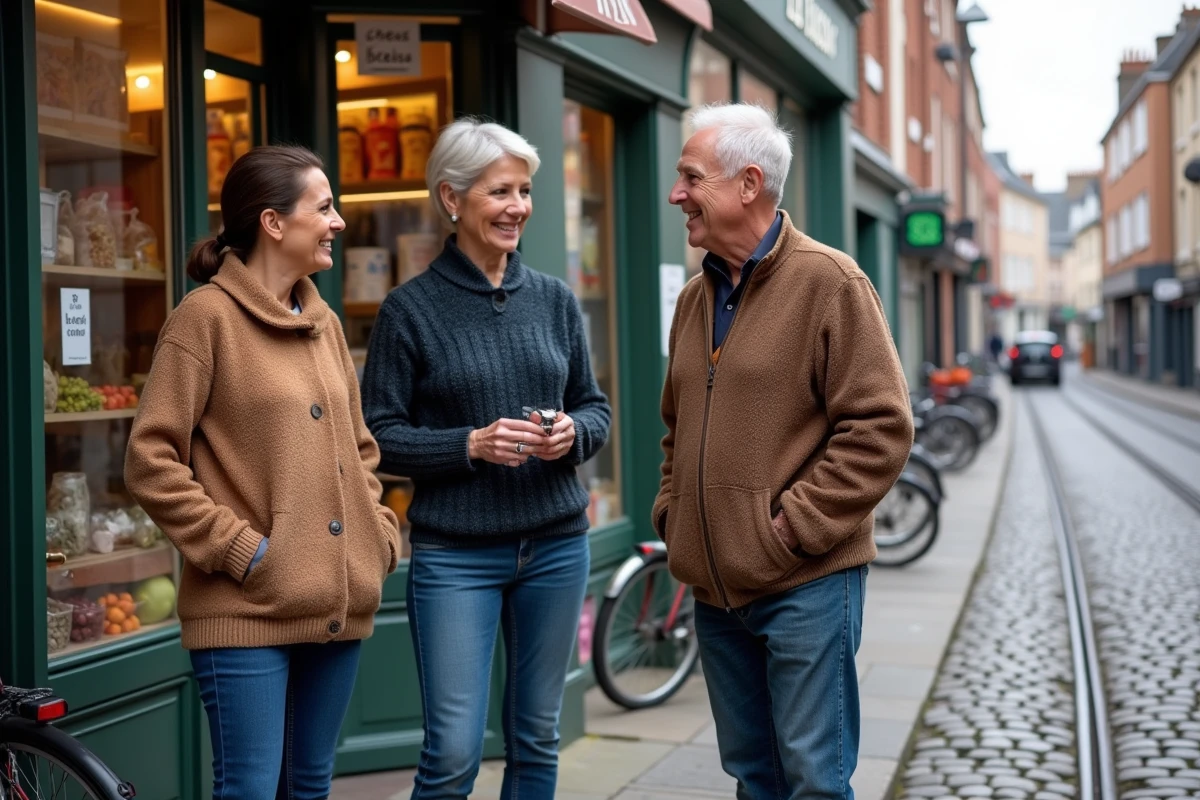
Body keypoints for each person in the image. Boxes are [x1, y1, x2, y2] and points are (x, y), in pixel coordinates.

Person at [654, 103, 915, 800]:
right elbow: (676, 427)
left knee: (814, 783)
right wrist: (673, 516)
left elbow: (882, 427)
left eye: (689, 178)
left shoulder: (833, 283)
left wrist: (790, 528)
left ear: (748, 184)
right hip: (715, 590)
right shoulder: (692, 300)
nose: (676, 195)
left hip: (806, 583)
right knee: (753, 777)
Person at [125, 145, 401, 800]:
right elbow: (151, 459)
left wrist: (378, 537)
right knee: (249, 789)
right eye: (325, 207)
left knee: (308, 787)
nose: (338, 222)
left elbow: (360, 449)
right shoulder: (204, 319)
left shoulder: (325, 322)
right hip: (245, 608)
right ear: (274, 222)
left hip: (338, 604)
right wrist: (242, 551)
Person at [360, 117, 612, 800]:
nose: (518, 208)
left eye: (525, 191)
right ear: (452, 197)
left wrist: (573, 435)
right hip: (456, 555)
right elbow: (377, 436)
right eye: (501, 192)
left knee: (536, 737)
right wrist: (468, 444)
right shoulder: (408, 312)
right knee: (452, 752)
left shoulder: (555, 300)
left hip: (557, 545)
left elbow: (596, 406)